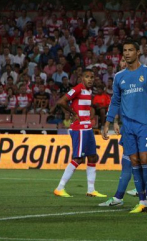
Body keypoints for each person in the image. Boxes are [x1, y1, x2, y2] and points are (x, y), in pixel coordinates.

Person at [102, 40, 147, 214]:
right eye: (125, 51)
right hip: (127, 126)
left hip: (145, 124)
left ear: (138, 52)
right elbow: (115, 101)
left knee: (146, 159)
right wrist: (108, 122)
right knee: (134, 161)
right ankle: (142, 201)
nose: (127, 53)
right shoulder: (120, 77)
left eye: (130, 50)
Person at [54, 69, 106, 198]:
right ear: (82, 78)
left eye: (92, 77)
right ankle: (60, 188)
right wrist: (72, 113)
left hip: (87, 128)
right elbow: (61, 101)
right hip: (79, 129)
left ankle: (91, 189)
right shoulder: (78, 88)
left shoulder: (89, 91)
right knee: (78, 159)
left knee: (93, 156)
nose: (90, 79)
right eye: (87, 77)